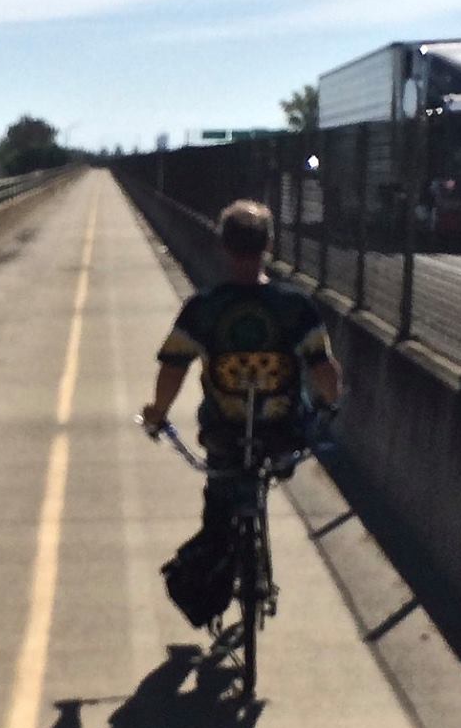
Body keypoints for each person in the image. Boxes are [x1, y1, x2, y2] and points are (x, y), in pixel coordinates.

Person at [140, 198, 341, 620]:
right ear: (269, 245)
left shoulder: (204, 307)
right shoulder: (295, 305)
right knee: (275, 464)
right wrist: (329, 404)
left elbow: (173, 366)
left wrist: (157, 414)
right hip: (282, 428)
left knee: (220, 497)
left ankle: (216, 567)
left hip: (224, 429)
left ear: (223, 247)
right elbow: (323, 369)